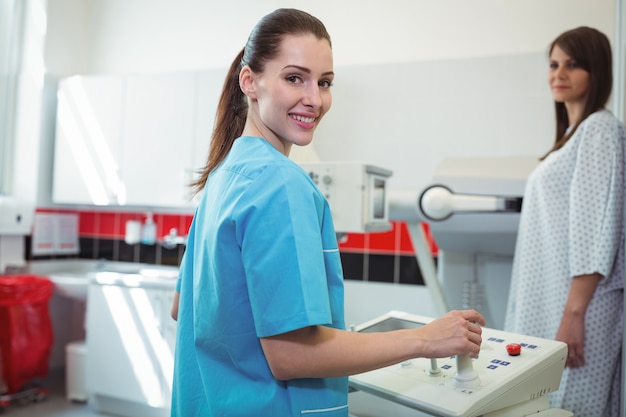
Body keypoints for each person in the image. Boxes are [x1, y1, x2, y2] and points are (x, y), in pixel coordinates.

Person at [170, 8, 484, 417]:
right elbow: (292, 354)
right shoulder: (280, 184)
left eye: (325, 82)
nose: (314, 99)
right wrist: (427, 339)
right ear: (250, 81)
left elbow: (184, 309)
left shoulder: (224, 177)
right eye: (294, 78)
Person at [504, 26, 625, 417]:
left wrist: (574, 316)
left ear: (597, 71)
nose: (559, 73)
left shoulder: (600, 130)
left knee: (571, 409)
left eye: (573, 65)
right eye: (554, 64)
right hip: (557, 302)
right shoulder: (575, 134)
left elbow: (596, 233)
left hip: (579, 309)